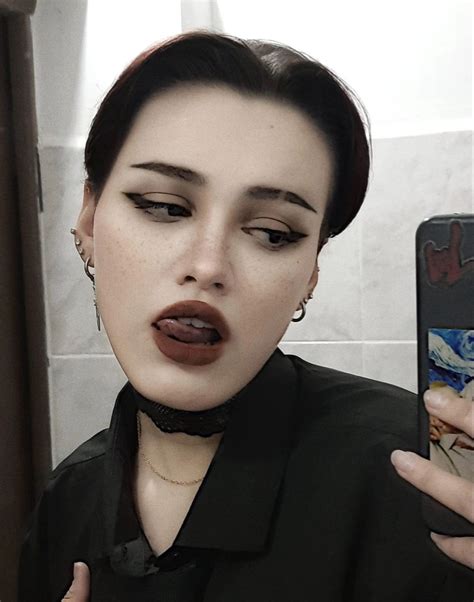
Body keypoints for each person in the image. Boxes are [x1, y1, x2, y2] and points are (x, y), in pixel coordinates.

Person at [18, 31, 473, 601]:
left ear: (311, 272)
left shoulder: (422, 481)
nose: (208, 266)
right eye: (164, 207)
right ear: (89, 221)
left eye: (272, 233)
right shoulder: (67, 502)